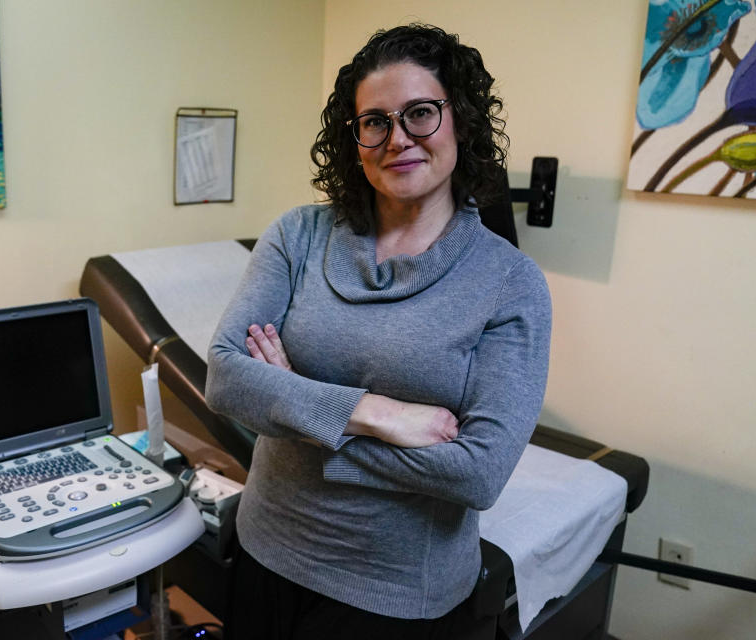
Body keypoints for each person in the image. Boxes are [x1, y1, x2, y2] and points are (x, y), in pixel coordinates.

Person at [205, 23, 552, 639]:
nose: (398, 139)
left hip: (394, 598)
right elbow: (228, 378)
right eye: (374, 121)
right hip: (265, 552)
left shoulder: (510, 283)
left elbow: (478, 474)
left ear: (462, 121)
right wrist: (374, 411)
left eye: (421, 113)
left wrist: (299, 410)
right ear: (355, 137)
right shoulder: (298, 235)